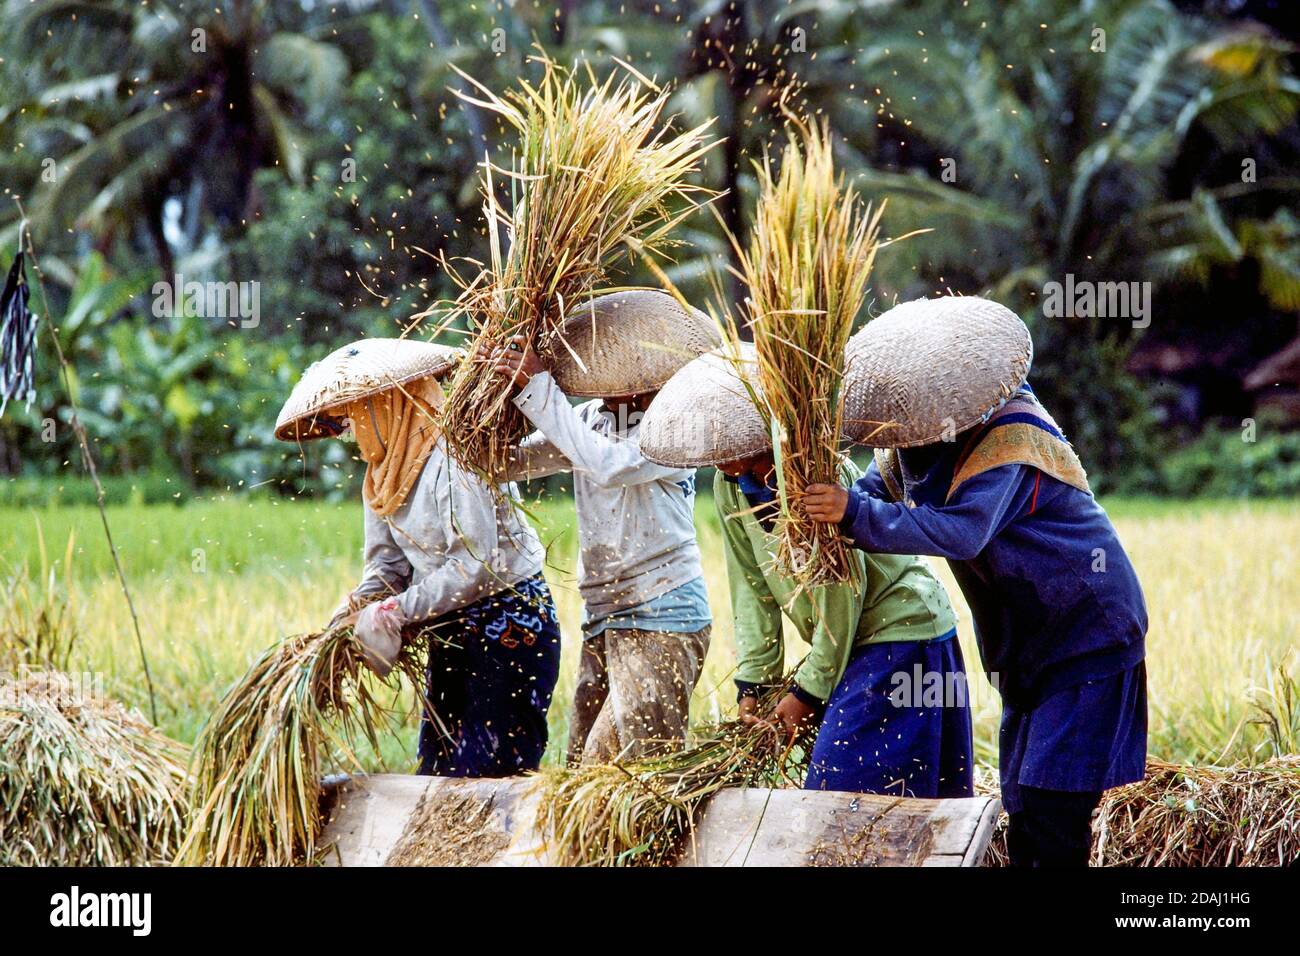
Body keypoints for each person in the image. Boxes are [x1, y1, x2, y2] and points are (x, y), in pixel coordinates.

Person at [803, 295, 1148, 866]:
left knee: (1049, 808)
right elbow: (868, 492)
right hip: (1028, 646)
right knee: (1022, 802)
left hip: (1087, 633)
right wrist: (818, 503)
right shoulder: (914, 442)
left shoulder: (1011, 437)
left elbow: (963, 533)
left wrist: (854, 517)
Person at [637, 345, 975, 797]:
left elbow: (842, 595)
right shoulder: (730, 486)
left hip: (901, 633)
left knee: (844, 795)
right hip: (851, 642)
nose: (714, 454)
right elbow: (751, 586)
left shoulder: (813, 473)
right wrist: (755, 682)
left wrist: (806, 695)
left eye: (722, 439)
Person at [275, 337, 561, 777]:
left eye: (347, 419)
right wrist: (352, 612)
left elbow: (476, 566)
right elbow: (388, 567)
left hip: (508, 627)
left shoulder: (458, 455)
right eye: (337, 426)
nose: (347, 432)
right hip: (450, 631)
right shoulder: (382, 475)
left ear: (383, 405)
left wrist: (397, 611)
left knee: (489, 772)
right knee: (437, 767)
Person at [489, 290, 721, 765]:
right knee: (581, 765)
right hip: (605, 616)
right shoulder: (593, 417)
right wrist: (495, 411)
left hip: (664, 620)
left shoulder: (680, 425)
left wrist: (538, 392)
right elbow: (513, 464)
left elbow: (608, 465)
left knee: (622, 773)